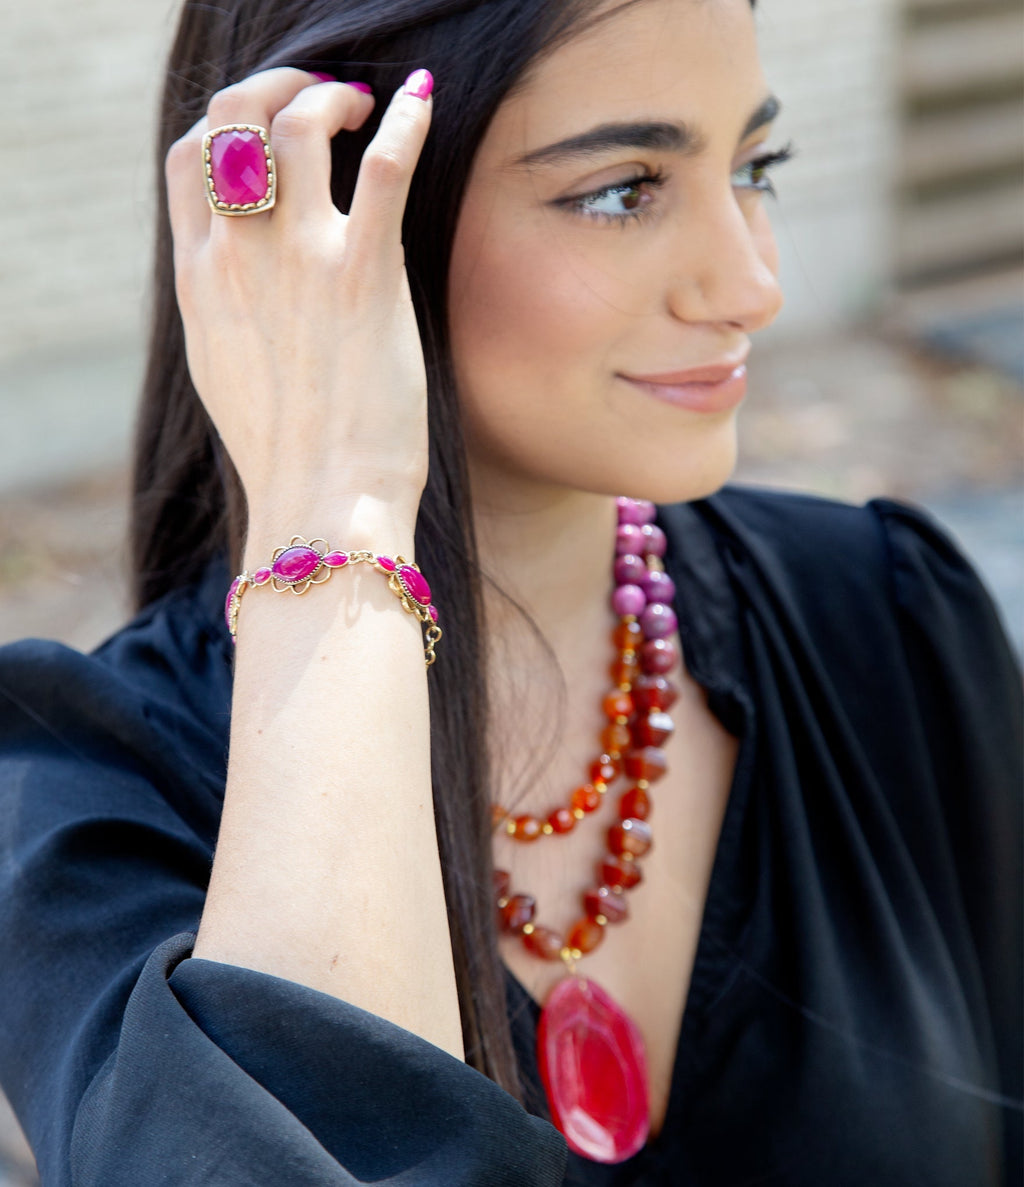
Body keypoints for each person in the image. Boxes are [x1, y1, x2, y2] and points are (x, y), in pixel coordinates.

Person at [0, 0, 1020, 1182]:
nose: (751, 285)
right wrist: (341, 505)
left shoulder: (884, 615)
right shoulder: (84, 805)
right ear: (331, 207)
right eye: (624, 189)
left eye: (755, 165)